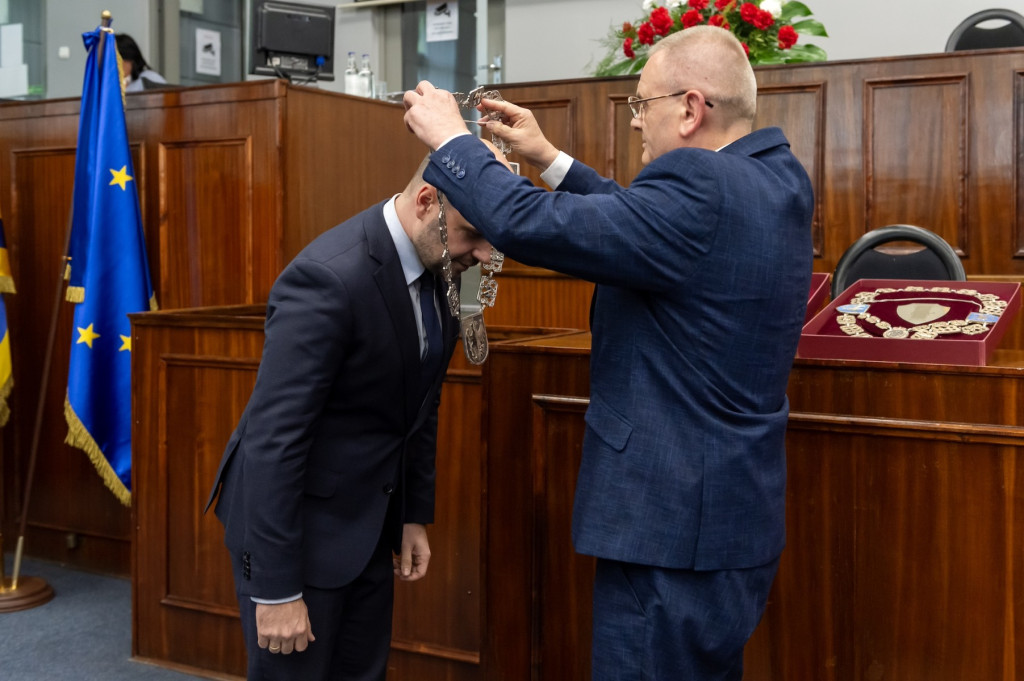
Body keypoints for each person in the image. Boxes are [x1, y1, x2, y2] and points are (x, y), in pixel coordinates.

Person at [403, 26, 814, 681]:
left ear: (689, 107)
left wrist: (452, 141)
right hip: (728, 521)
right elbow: (641, 227)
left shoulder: (701, 184)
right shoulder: (776, 179)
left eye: (641, 105)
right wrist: (549, 159)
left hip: (670, 532)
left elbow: (537, 228)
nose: (636, 124)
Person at [204, 150, 501, 680]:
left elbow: (420, 404)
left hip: (367, 521)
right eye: (473, 234)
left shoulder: (445, 266)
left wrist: (412, 514)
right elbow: (274, 439)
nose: (483, 253)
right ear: (426, 202)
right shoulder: (328, 279)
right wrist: (276, 589)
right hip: (295, 532)